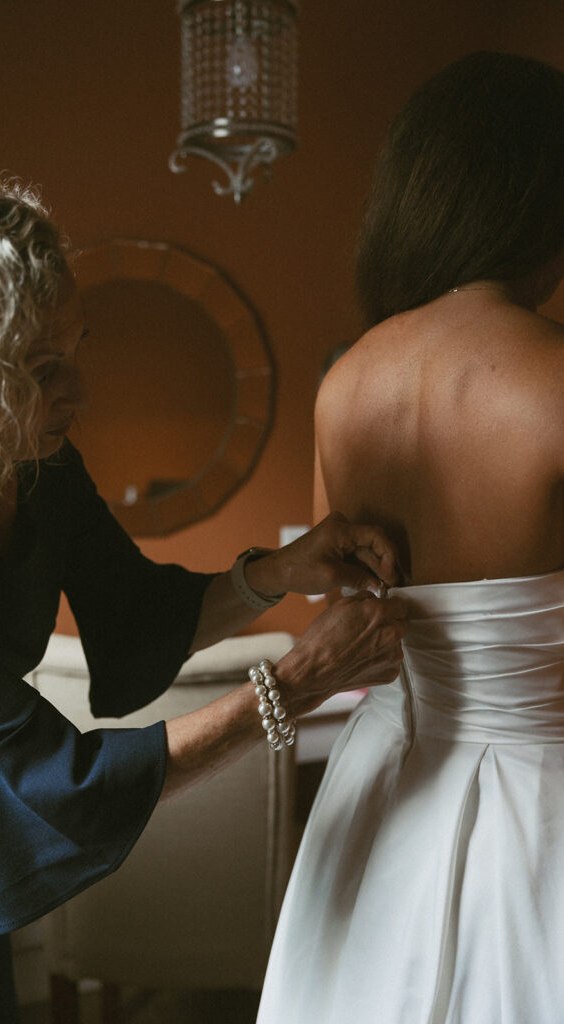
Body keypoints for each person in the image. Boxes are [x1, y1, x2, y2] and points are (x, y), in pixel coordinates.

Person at [0, 161, 407, 1024]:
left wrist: (278, 572)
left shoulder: (41, 470)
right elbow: (56, 780)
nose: (78, 394)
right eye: (42, 368)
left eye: (75, 352)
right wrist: (295, 683)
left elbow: (135, 620)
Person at [257, 51, 564, 1024]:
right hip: (539, 794)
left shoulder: (346, 380)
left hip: (389, 779)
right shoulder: (551, 379)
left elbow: (338, 595)